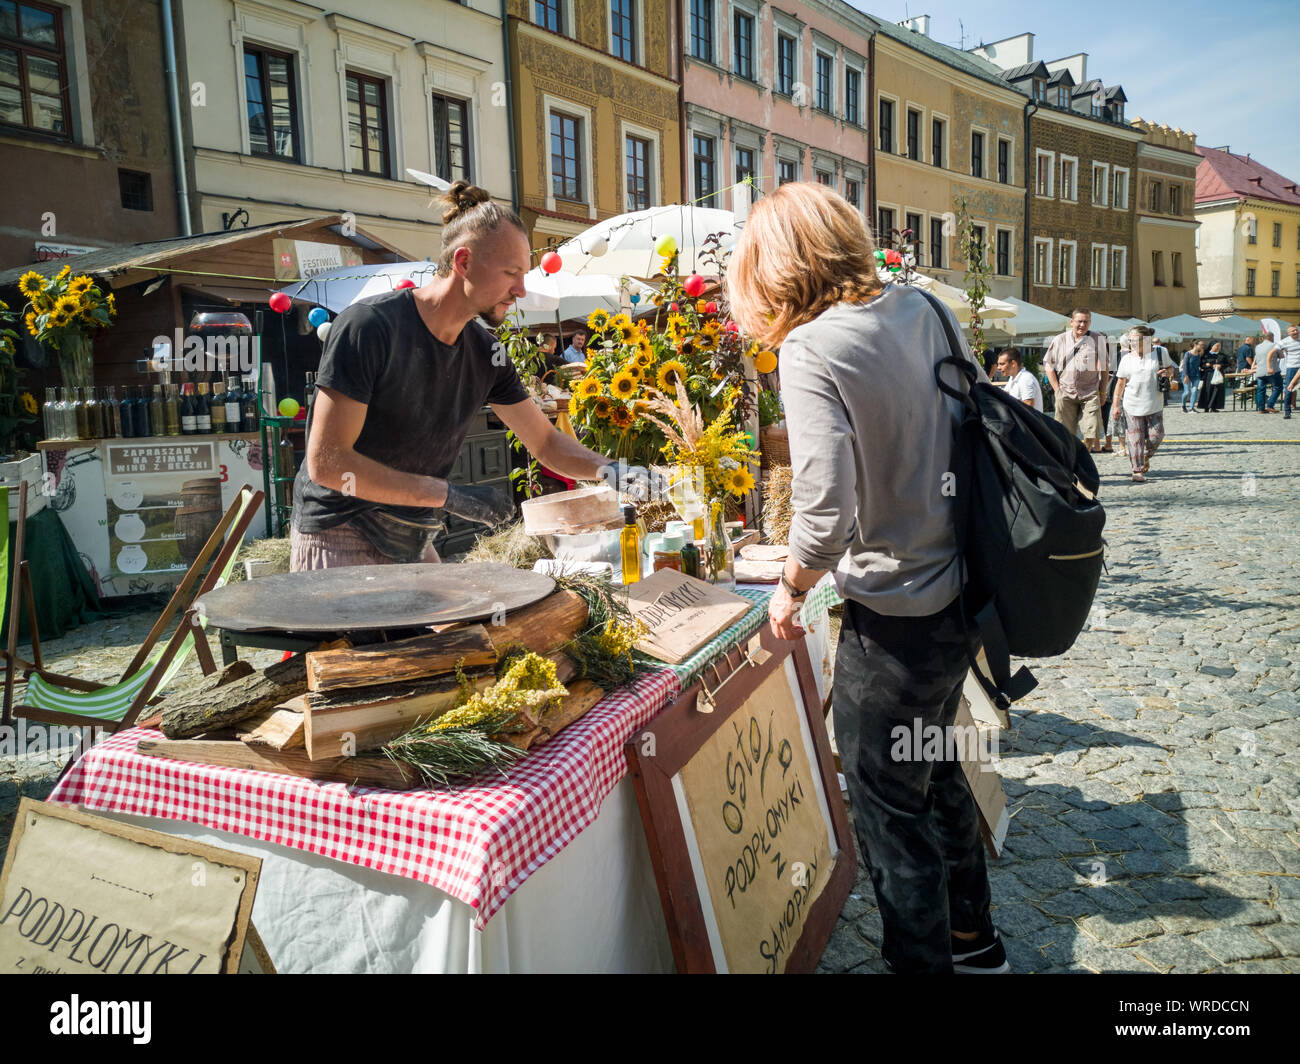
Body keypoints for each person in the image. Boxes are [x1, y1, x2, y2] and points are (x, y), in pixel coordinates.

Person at [726, 182, 1004, 975]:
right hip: (960, 597)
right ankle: (973, 939)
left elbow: (825, 507)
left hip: (894, 614)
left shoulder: (812, 346)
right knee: (934, 759)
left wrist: (790, 586)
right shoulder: (929, 310)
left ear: (776, 267)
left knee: (887, 807)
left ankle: (925, 962)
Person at [291, 181, 634, 570]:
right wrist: (447, 495)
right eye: (511, 273)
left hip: (411, 534)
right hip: (339, 531)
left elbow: (546, 443)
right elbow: (328, 463)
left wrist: (613, 471)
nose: (521, 290)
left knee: (457, 629)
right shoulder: (370, 327)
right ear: (464, 262)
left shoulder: (486, 352)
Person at [1044, 308, 1111, 453]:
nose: (1082, 325)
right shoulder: (1060, 339)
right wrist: (1057, 390)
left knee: (1092, 430)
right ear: (1072, 322)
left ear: (1090, 323)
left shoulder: (1097, 339)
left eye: (1086, 322)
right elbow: (1048, 365)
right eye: (1079, 321)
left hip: (1090, 392)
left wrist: (1103, 391)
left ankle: (1083, 454)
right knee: (1064, 432)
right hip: (1066, 392)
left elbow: (1105, 368)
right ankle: (1070, 461)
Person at [1113, 326, 1175, 482]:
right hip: (1131, 404)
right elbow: (1120, 383)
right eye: (1130, 340)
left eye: (1136, 340)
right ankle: (1137, 470)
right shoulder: (1126, 358)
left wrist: (1168, 373)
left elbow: (1170, 368)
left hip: (1154, 403)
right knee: (1135, 440)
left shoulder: (1160, 353)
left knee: (1157, 436)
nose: (1132, 343)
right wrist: (1115, 405)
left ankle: (1145, 456)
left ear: (1146, 340)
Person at [1254, 332, 1282, 413]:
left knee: (1261, 390)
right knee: (1278, 387)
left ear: (1263, 338)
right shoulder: (1274, 345)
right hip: (1272, 370)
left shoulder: (1257, 346)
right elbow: (1281, 356)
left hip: (1260, 371)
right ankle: (1270, 405)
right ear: (1272, 337)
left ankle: (1261, 409)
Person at [1198, 342, 1227, 411]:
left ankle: (1214, 407)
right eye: (1216, 346)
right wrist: (1208, 365)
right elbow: (1201, 364)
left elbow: (1226, 364)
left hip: (1218, 375)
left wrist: (1220, 366)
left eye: (1219, 346)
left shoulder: (1222, 355)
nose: (1218, 347)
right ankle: (1206, 407)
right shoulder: (1206, 355)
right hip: (1208, 375)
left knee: (1216, 390)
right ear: (1211, 346)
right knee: (1207, 390)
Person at [1281, 324, 1300, 419]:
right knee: (1289, 389)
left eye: (1296, 330)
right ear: (1288, 333)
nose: (1296, 332)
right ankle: (1287, 412)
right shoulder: (1286, 342)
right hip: (1292, 368)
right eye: (1293, 331)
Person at [1180, 341, 1203, 412]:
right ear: (1195, 345)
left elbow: (1198, 364)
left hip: (1196, 375)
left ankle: (1192, 407)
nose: (1202, 346)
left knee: (1194, 390)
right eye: (1201, 345)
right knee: (1187, 392)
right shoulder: (1188, 353)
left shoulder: (1199, 355)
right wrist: (1186, 375)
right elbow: (1185, 365)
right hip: (1186, 375)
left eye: (1203, 345)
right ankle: (1183, 405)